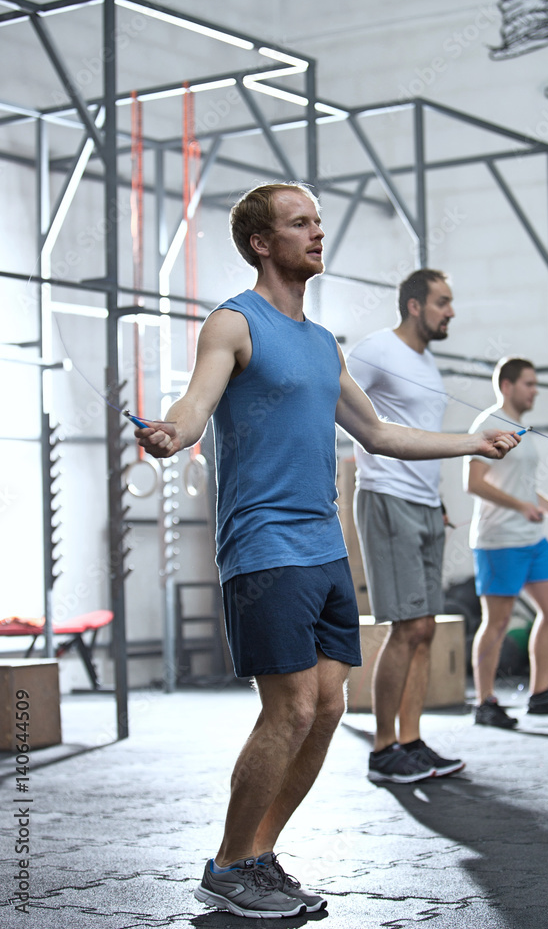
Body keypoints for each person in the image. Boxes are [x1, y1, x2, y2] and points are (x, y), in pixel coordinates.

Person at [134, 181, 521, 918]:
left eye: (318, 220)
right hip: (263, 546)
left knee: (328, 707)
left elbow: (378, 434)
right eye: (298, 223)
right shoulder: (233, 323)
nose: (317, 233)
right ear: (261, 242)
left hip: (322, 547)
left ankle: (255, 854)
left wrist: (473, 438)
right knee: (289, 708)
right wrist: (171, 433)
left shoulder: (320, 344)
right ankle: (226, 864)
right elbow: (195, 403)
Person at [347, 269, 466, 784]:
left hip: (423, 503)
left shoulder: (426, 362)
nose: (451, 312)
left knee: (423, 632)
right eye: (442, 302)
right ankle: (382, 751)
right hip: (387, 497)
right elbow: (331, 397)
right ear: (415, 305)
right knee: (408, 626)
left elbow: (422, 434)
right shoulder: (376, 349)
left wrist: (436, 499)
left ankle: (411, 741)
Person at [463, 357, 548, 729]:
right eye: (529, 384)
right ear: (507, 385)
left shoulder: (522, 429)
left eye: (536, 384)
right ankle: (485, 702)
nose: (535, 390)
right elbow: (474, 483)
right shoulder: (487, 425)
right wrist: (520, 506)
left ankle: (541, 693)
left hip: (532, 539)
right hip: (499, 540)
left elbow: (523, 487)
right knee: (498, 622)